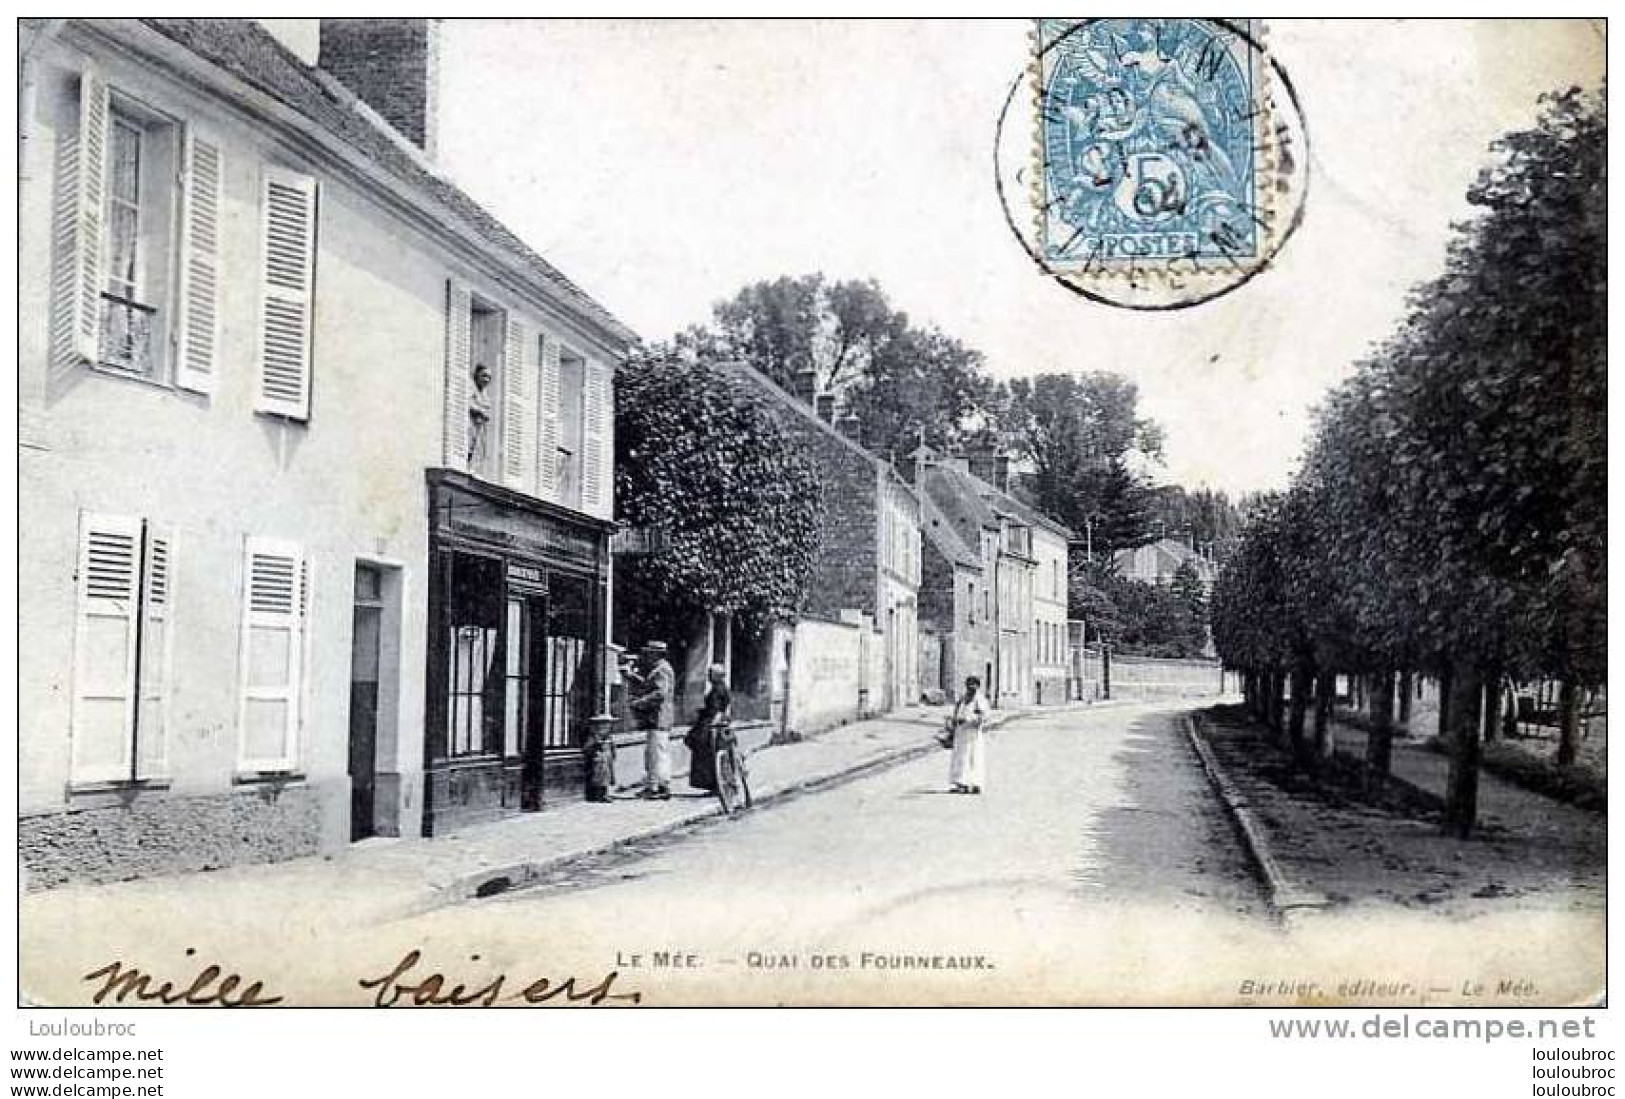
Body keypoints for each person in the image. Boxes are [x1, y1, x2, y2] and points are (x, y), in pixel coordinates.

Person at [627, 641, 676, 799]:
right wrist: (633, 677)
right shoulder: (660, 669)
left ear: (657, 654)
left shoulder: (662, 669)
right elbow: (651, 686)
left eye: (650, 653)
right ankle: (657, 785)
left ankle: (658, 788)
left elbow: (660, 693)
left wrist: (639, 702)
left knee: (657, 753)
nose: (647, 656)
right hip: (658, 718)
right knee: (655, 753)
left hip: (659, 717)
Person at [684, 664, 732, 792]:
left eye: (711, 674)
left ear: (718, 676)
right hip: (711, 720)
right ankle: (714, 784)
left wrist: (711, 721)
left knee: (703, 748)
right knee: (705, 749)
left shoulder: (718, 689)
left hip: (710, 722)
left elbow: (717, 709)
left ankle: (711, 783)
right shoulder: (721, 688)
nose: (709, 676)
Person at [948, 675, 992, 795]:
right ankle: (960, 782)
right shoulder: (962, 699)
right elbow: (956, 712)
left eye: (974, 685)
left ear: (977, 686)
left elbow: (985, 716)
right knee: (960, 758)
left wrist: (970, 719)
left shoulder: (980, 700)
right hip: (961, 733)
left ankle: (975, 783)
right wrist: (954, 722)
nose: (971, 687)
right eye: (969, 684)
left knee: (974, 757)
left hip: (973, 733)